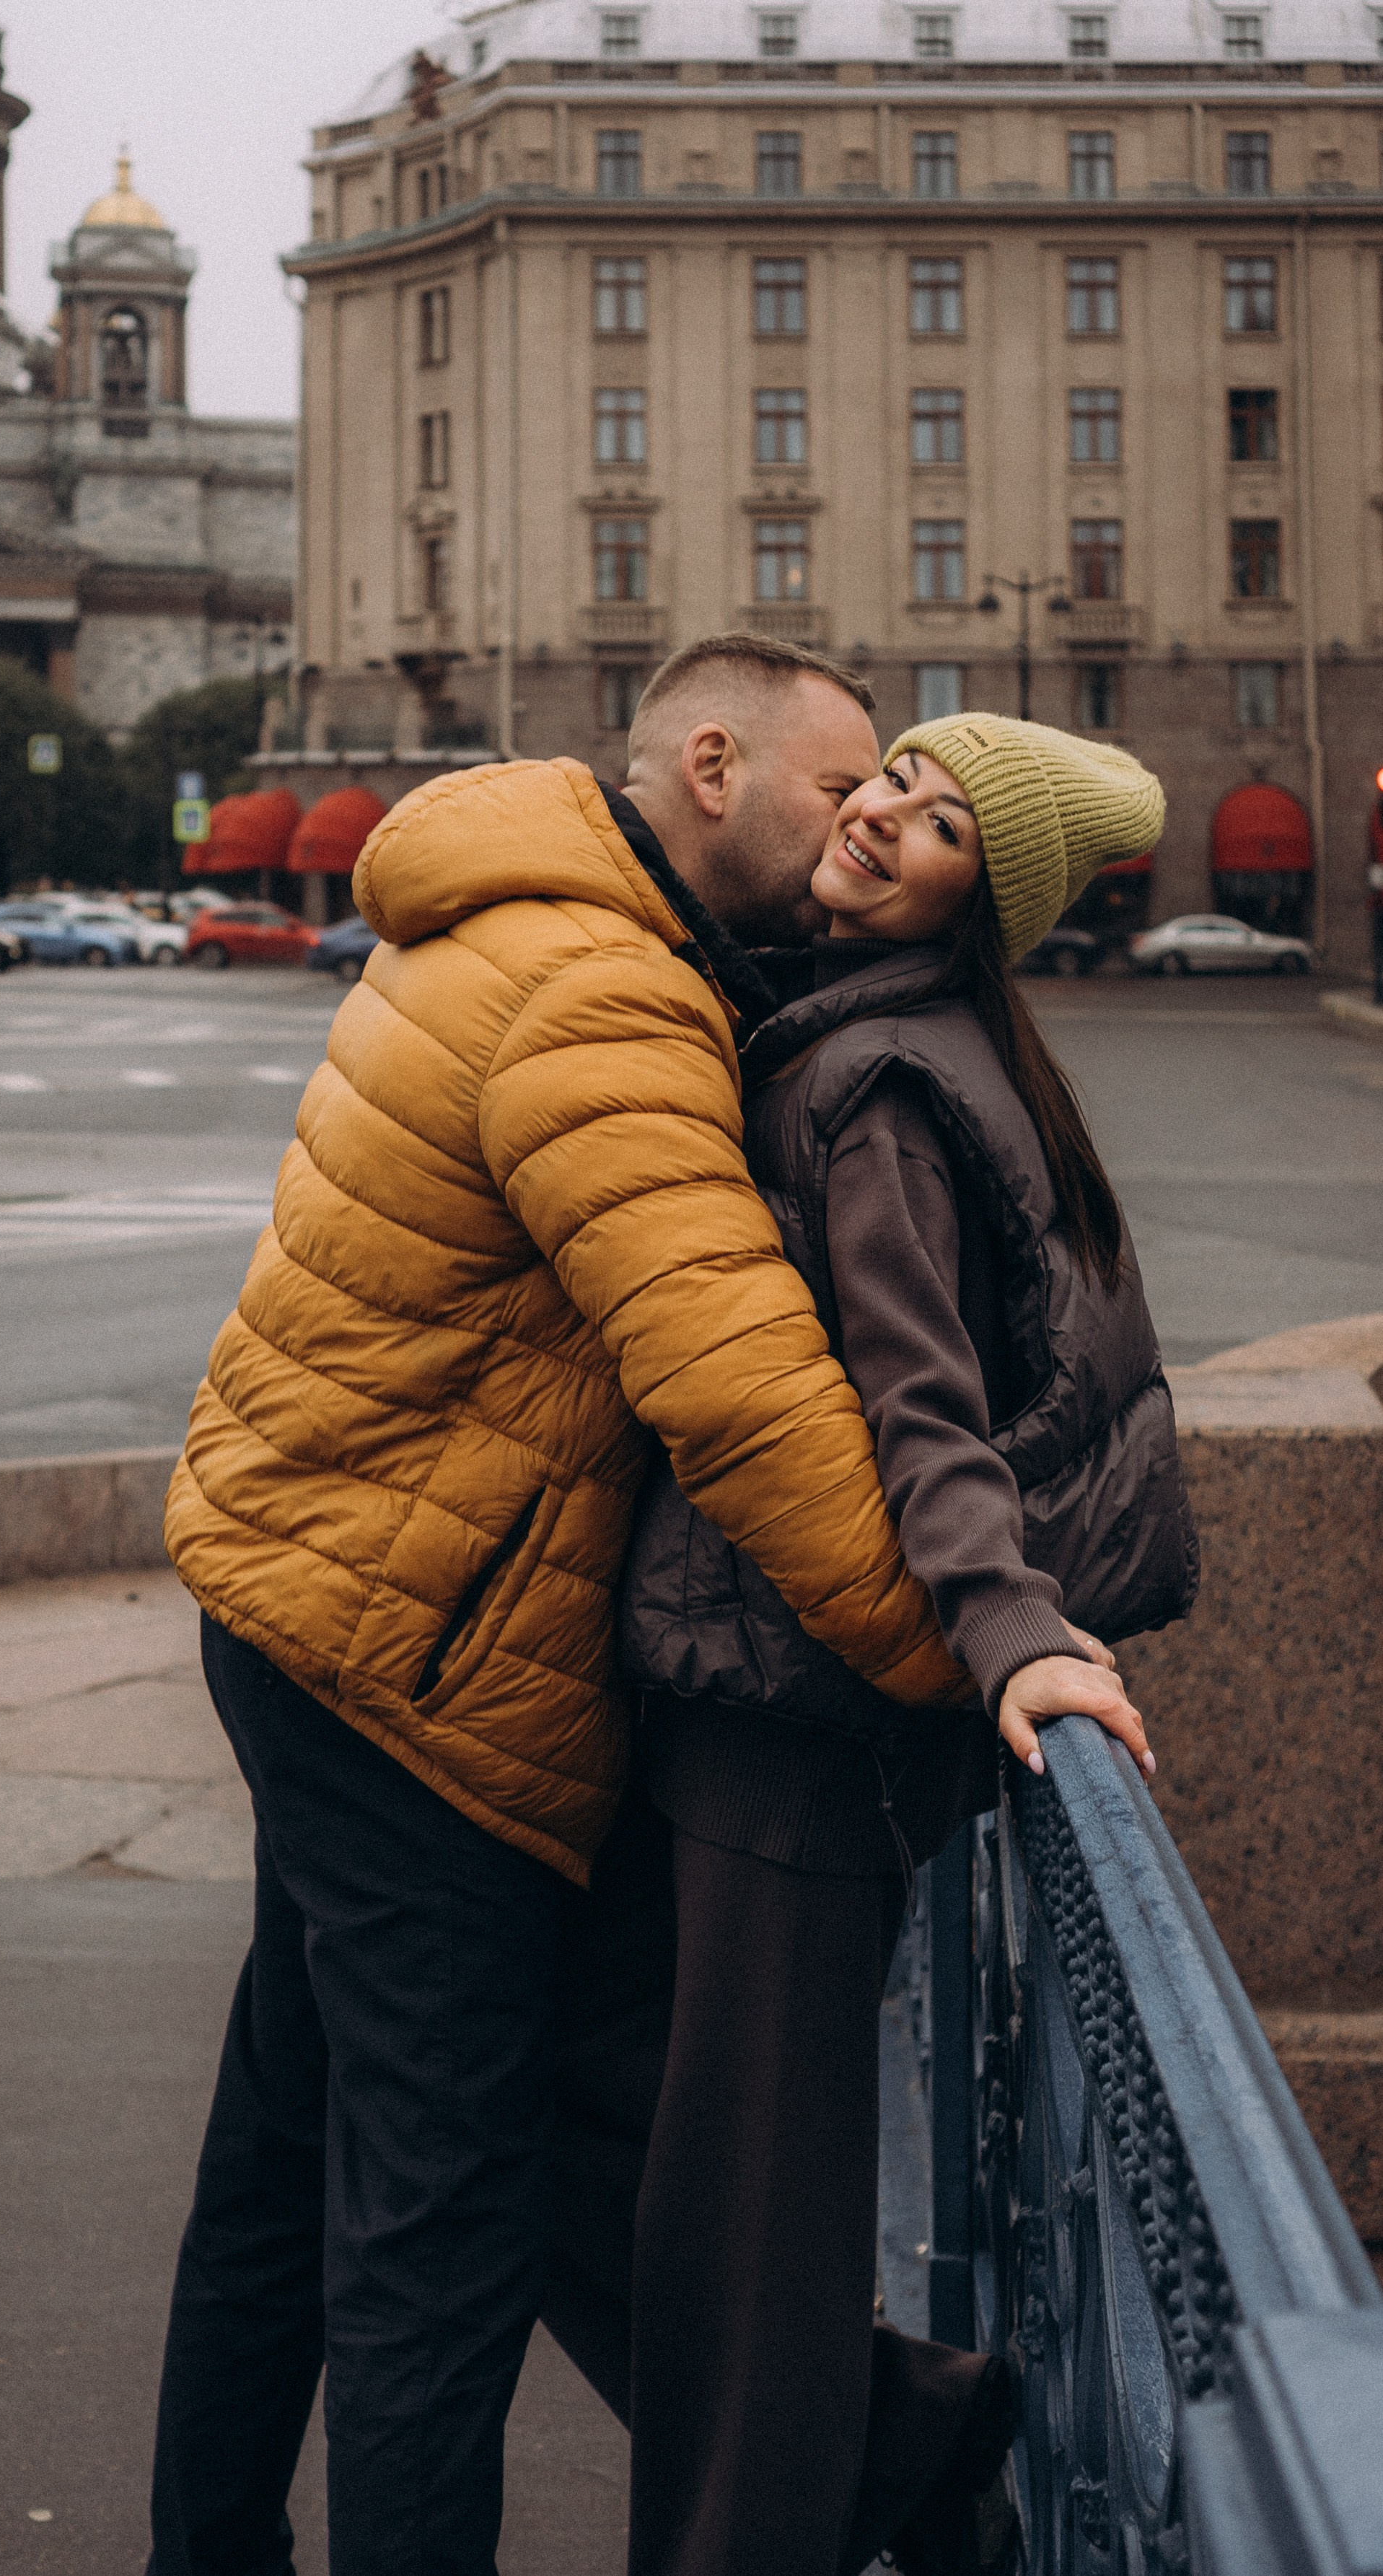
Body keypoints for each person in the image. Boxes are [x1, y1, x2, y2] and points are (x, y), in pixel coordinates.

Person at [147, 636, 985, 2576]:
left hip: (316, 1603)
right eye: (831, 780)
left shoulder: (532, 913)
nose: (857, 814)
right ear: (710, 760)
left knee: (281, 2162)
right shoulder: (601, 993)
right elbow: (741, 1382)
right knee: (431, 2232)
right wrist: (952, 1647)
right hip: (411, 1669)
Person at [544, 711, 1198, 2576]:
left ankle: (798, 2503)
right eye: (892, 776)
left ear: (970, 901)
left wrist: (1006, 1635)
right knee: (583, 2123)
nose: (882, 813)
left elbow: (925, 1408)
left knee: (744, 2234)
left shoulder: (881, 1084)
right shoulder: (886, 1037)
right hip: (751, 1706)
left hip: (789, 1727)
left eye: (929, 827)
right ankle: (904, 2436)